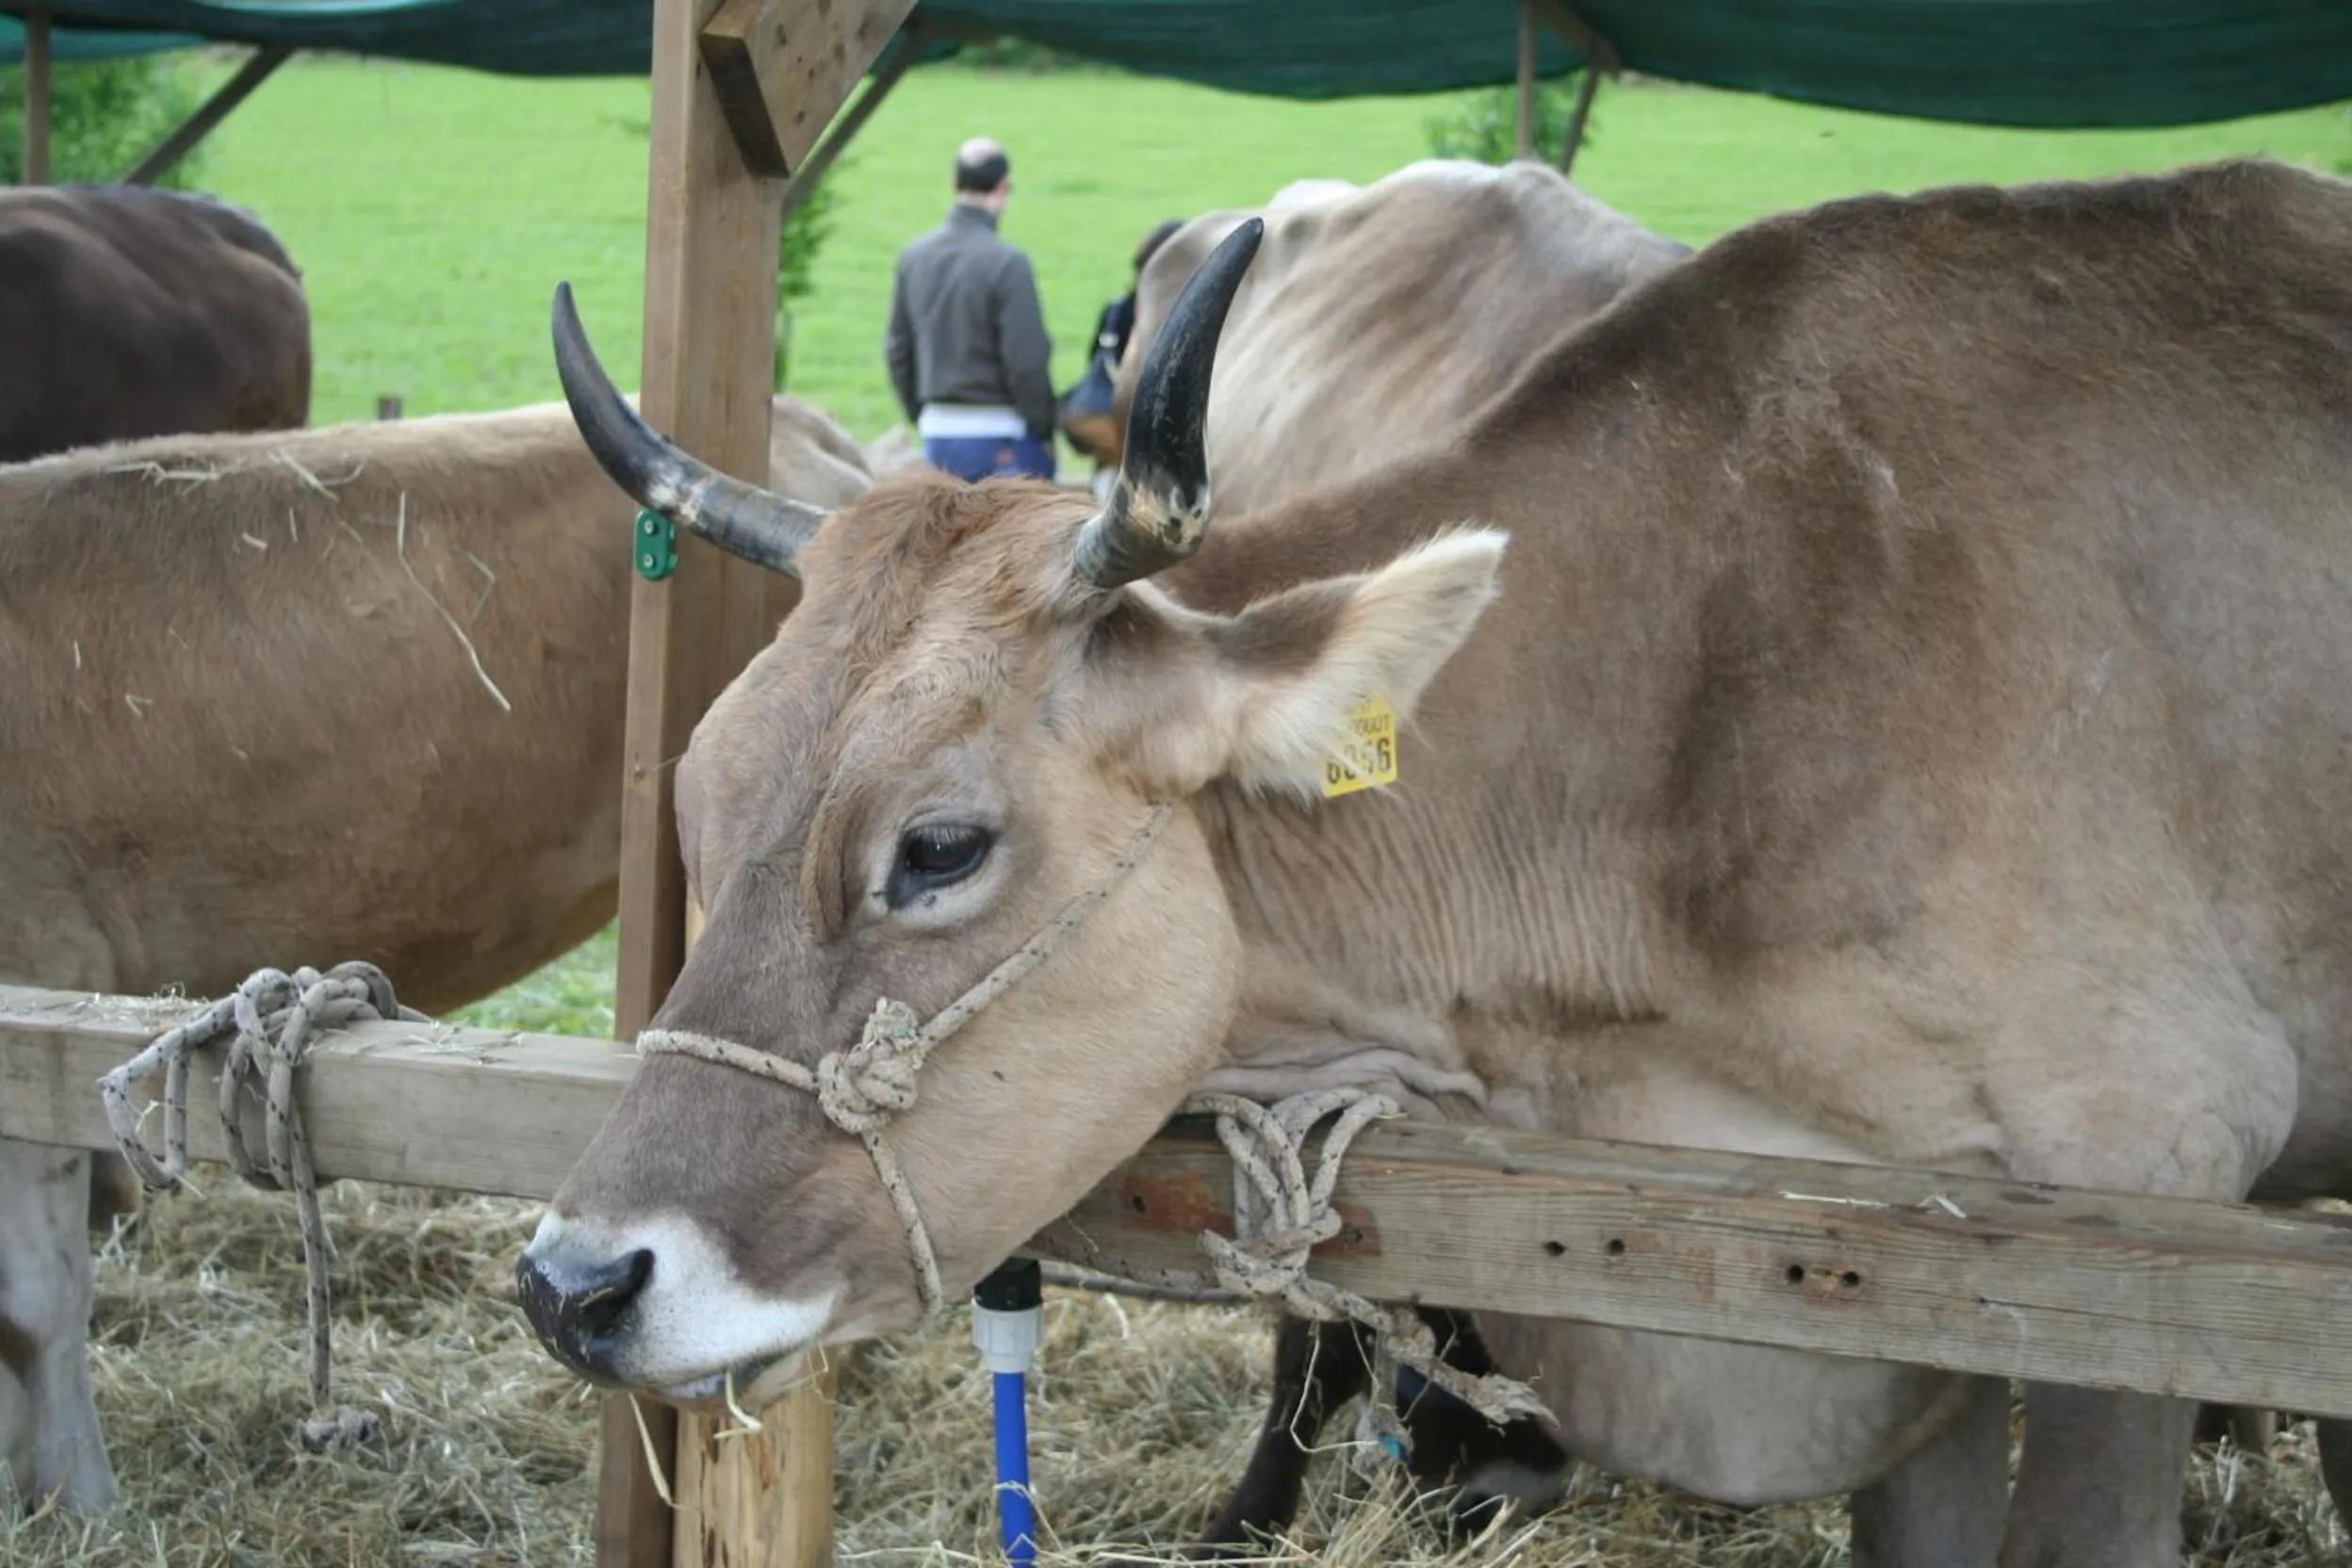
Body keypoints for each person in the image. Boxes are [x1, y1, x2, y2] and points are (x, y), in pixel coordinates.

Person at [885, 138, 1057, 482]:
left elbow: (897, 351)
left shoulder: (913, 258)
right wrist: (1043, 427)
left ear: (954, 184)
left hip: (937, 435)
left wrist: (921, 415)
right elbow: (1026, 360)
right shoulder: (1008, 264)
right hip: (1004, 438)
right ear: (1003, 186)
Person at [1059, 218, 1184, 498]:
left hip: (1108, 433)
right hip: (1149, 443)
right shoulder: (1182, 315)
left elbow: (1096, 361)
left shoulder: (1118, 309)